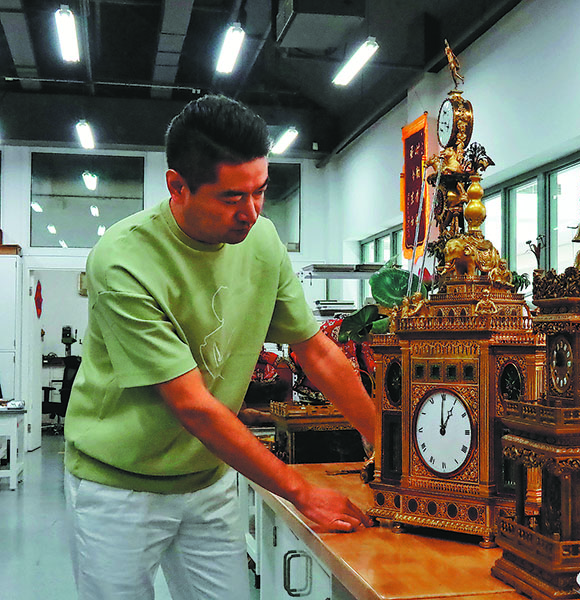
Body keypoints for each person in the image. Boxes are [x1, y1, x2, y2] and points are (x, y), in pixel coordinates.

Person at [63, 94, 376, 600]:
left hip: (207, 480)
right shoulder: (123, 261)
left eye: (261, 192)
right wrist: (299, 491)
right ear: (177, 186)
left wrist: (382, 438)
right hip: (119, 488)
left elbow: (315, 350)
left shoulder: (263, 242)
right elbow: (193, 405)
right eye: (232, 198)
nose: (251, 214)